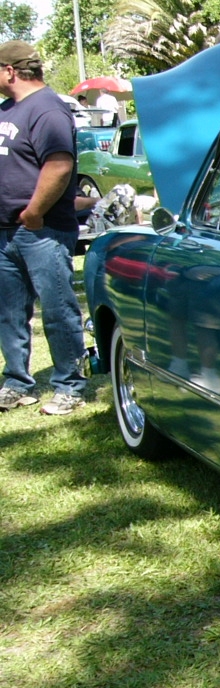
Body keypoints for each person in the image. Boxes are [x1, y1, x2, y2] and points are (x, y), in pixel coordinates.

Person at [0, 40, 88, 415]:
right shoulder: (8, 109)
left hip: (42, 230)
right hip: (6, 231)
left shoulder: (47, 109)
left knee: (58, 309)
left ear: (10, 71)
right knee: (9, 312)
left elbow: (59, 165)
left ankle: (70, 385)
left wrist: (34, 211)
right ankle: (17, 382)